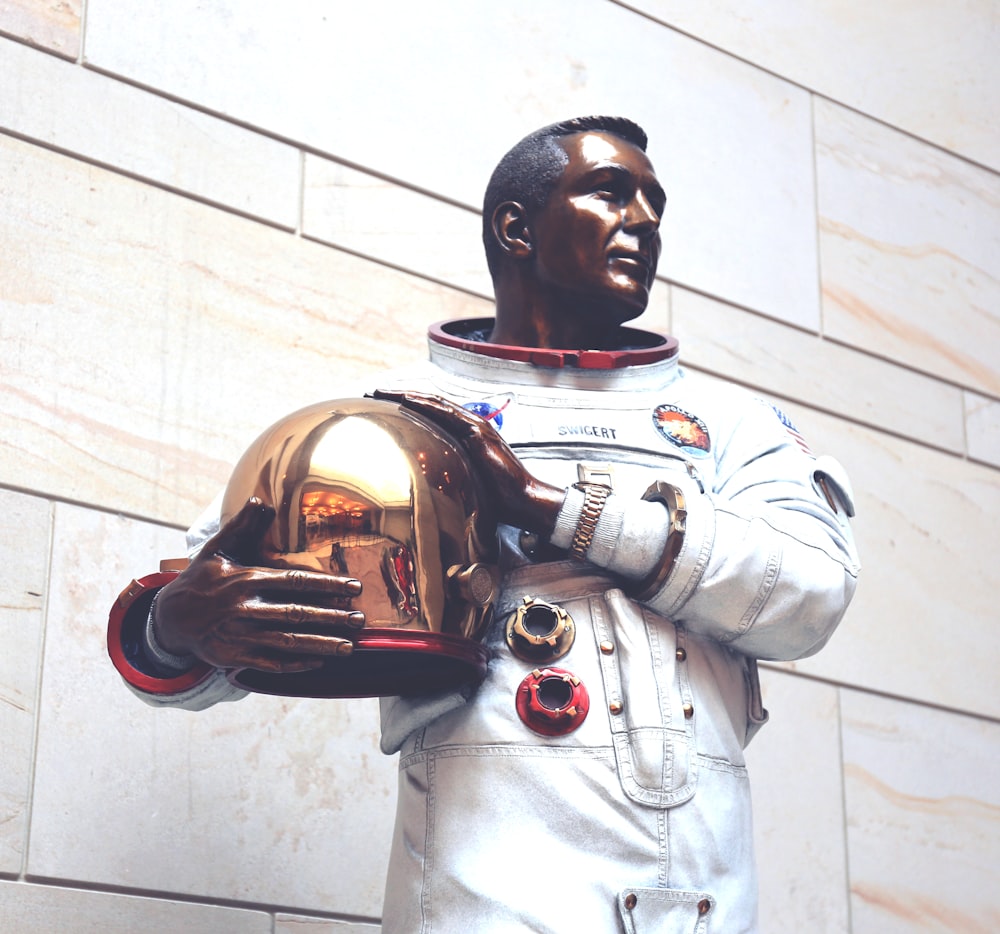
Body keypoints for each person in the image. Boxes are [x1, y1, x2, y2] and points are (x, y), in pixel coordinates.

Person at [108, 116, 860, 932]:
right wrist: (176, 625)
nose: (643, 221)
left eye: (653, 204)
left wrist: (556, 510)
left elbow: (812, 592)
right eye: (611, 192)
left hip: (700, 889)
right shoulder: (389, 420)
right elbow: (212, 591)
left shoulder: (730, 426)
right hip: (483, 881)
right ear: (515, 227)